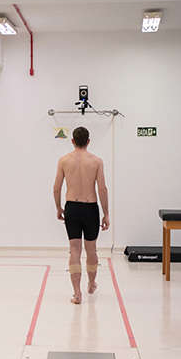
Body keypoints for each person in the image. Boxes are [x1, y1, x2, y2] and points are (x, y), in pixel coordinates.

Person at [53, 126, 109, 304]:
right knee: (91, 248)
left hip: (72, 208)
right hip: (90, 208)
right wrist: (106, 213)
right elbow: (102, 189)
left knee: (75, 249)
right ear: (88, 141)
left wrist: (58, 207)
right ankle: (91, 284)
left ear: (72, 141)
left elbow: (56, 188)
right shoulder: (97, 161)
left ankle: (77, 293)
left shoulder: (64, 160)